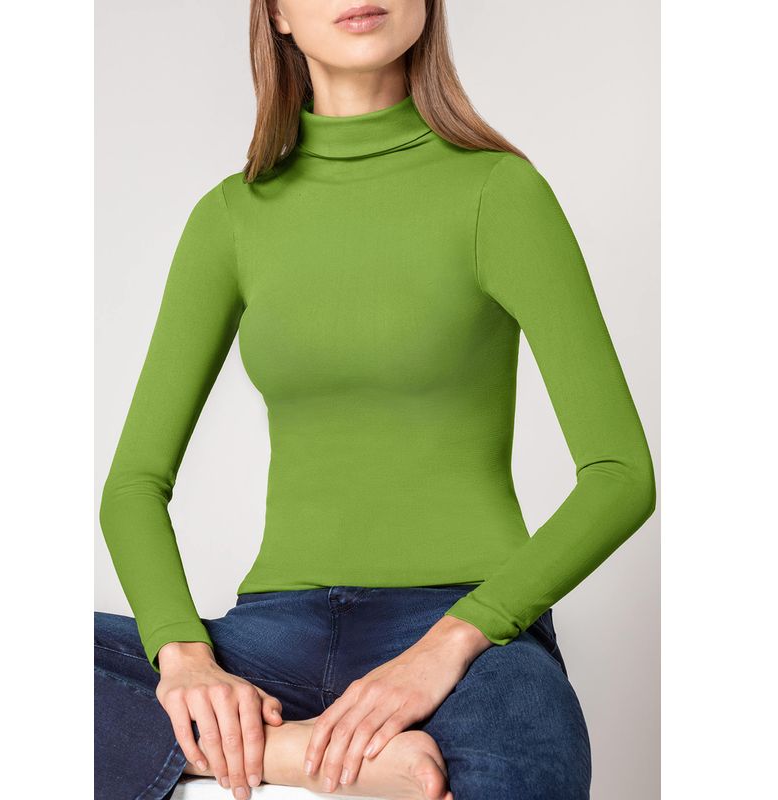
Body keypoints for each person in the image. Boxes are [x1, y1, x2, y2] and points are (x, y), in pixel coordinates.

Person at [95, 2, 657, 799]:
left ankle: (253, 748)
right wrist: (184, 658)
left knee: (527, 766)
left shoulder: (498, 192)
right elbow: (132, 486)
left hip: (465, 634)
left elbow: (620, 474)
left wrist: (447, 646)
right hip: (272, 635)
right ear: (277, 13)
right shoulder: (232, 218)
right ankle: (289, 753)